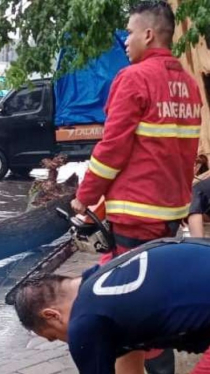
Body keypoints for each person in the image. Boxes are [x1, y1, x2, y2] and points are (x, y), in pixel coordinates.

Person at [70, 2, 204, 372]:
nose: (125, 41)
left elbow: (111, 150)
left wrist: (83, 198)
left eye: (129, 32)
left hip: (133, 216)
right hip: (169, 217)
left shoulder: (134, 78)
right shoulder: (189, 86)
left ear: (148, 34)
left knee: (123, 308)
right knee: (156, 300)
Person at [12, 238, 210, 374]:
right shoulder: (108, 278)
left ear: (52, 315)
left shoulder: (85, 322)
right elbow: (128, 352)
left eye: (54, 336)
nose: (66, 341)